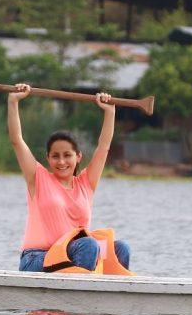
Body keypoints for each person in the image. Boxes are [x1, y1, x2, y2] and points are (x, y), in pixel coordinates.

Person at [9, 83, 132, 274]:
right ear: (48, 158)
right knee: (88, 245)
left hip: (74, 254)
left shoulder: (86, 183)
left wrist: (110, 112)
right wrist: (13, 101)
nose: (61, 161)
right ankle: (79, 295)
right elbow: (17, 140)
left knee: (121, 248)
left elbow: (104, 146)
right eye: (55, 156)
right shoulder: (39, 178)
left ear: (78, 157)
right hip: (37, 257)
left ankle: (107, 297)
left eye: (67, 155)